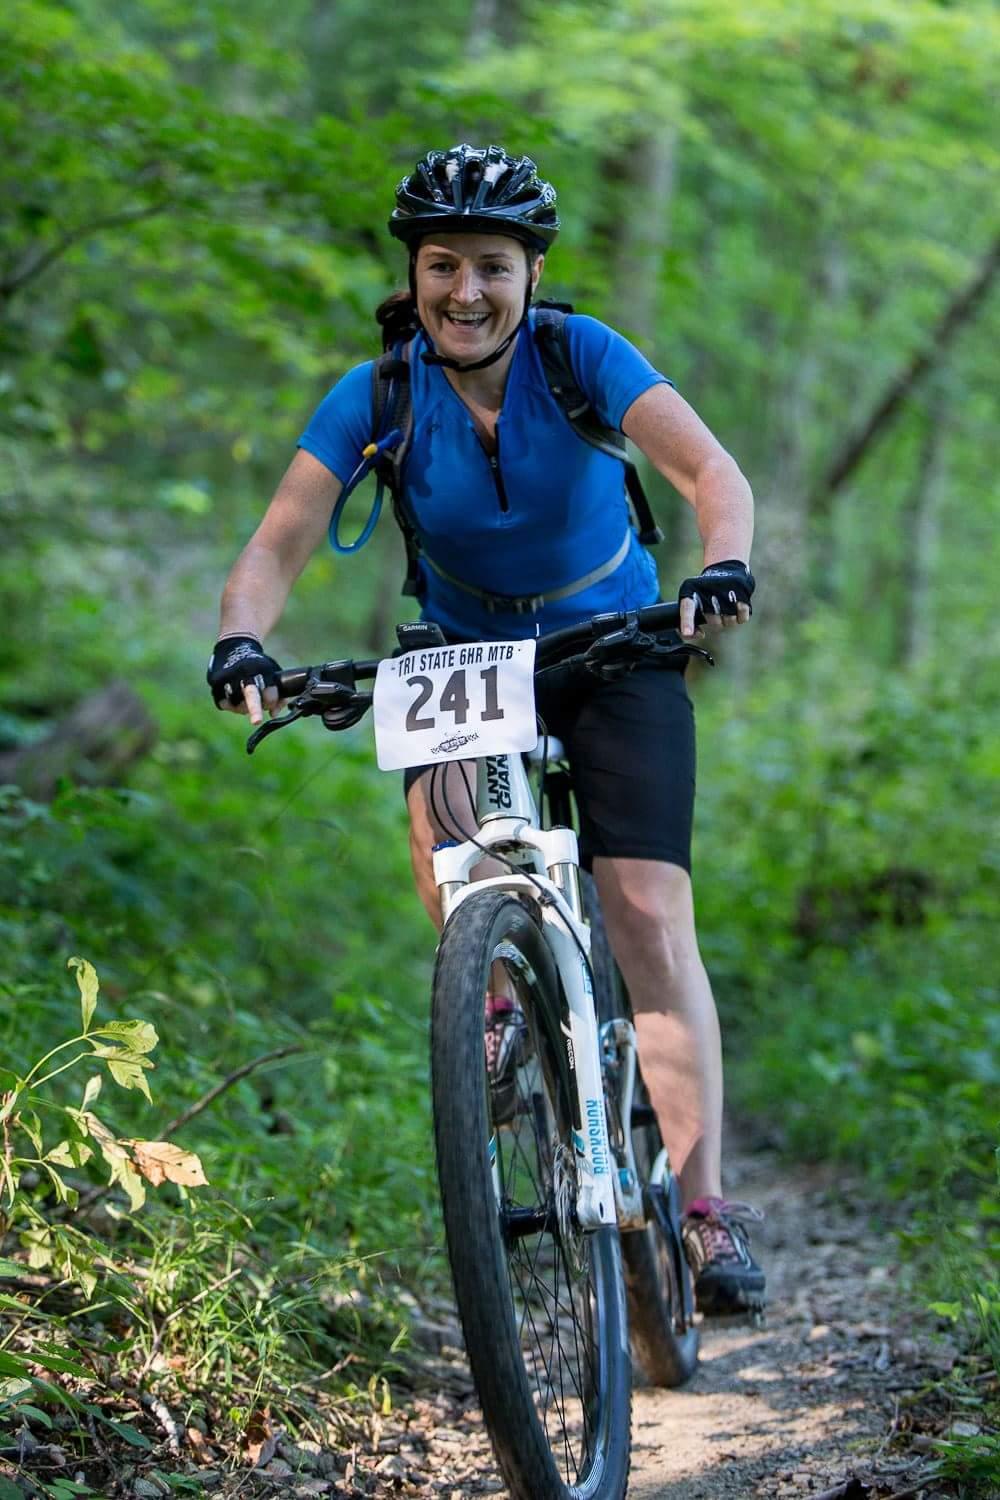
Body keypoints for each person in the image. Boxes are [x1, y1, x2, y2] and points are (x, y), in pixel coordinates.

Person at [207, 143, 765, 1316]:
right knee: (457, 855)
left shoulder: (581, 356)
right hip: (464, 652)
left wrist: (721, 564)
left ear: (531, 272)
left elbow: (711, 469)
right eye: (442, 265)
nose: (466, 291)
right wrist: (243, 640)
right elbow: (275, 543)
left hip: (614, 644)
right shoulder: (378, 393)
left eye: (492, 267)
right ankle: (499, 1000)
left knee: (650, 910)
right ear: (412, 275)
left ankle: (708, 1215)